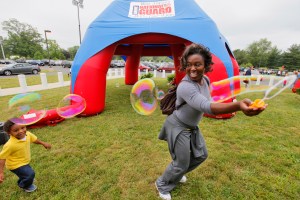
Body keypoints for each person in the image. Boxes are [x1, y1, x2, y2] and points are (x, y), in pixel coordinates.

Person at [155, 43, 267, 200]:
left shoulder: (205, 80)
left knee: (201, 155)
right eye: (189, 65)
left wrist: (240, 100)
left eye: (197, 64)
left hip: (192, 126)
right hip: (178, 126)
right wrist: (238, 106)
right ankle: (162, 184)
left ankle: (177, 174)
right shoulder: (186, 87)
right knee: (180, 162)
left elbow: (209, 98)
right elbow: (205, 106)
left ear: (206, 65)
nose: (192, 69)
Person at [0, 119, 51, 192]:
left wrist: (43, 143)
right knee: (30, 174)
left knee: (26, 174)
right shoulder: (10, 145)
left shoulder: (28, 134)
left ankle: (25, 179)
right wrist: (1, 172)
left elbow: (34, 140)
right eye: (16, 130)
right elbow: (2, 158)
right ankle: (24, 185)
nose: (21, 131)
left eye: (22, 128)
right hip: (15, 165)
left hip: (24, 161)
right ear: (9, 133)